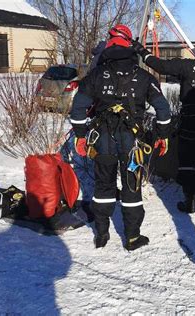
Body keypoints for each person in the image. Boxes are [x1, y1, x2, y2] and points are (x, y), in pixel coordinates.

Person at [70, 24, 171, 250]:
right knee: (131, 187)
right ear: (129, 46)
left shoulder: (96, 75)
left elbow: (78, 109)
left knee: (103, 185)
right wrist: (163, 135)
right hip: (132, 141)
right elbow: (163, 111)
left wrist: (80, 136)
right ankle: (132, 237)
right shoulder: (144, 77)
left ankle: (102, 233)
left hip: (102, 138)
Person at [132, 36, 195, 214]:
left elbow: (160, 66)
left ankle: (189, 198)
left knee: (187, 158)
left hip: (190, 119)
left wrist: (142, 51)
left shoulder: (187, 65)